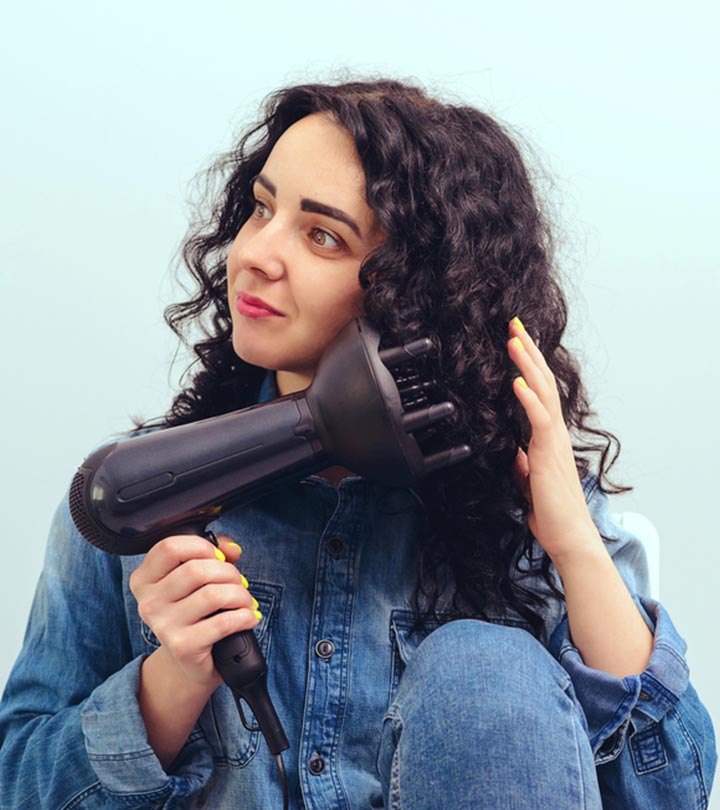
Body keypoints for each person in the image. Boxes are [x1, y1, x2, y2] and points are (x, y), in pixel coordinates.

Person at [0, 77, 716, 810]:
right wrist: (171, 685)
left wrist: (574, 546)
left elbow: (672, 795)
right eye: (262, 208)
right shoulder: (141, 500)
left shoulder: (524, 500)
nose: (256, 255)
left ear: (415, 291)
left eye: (322, 235)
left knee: (482, 668)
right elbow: (18, 783)